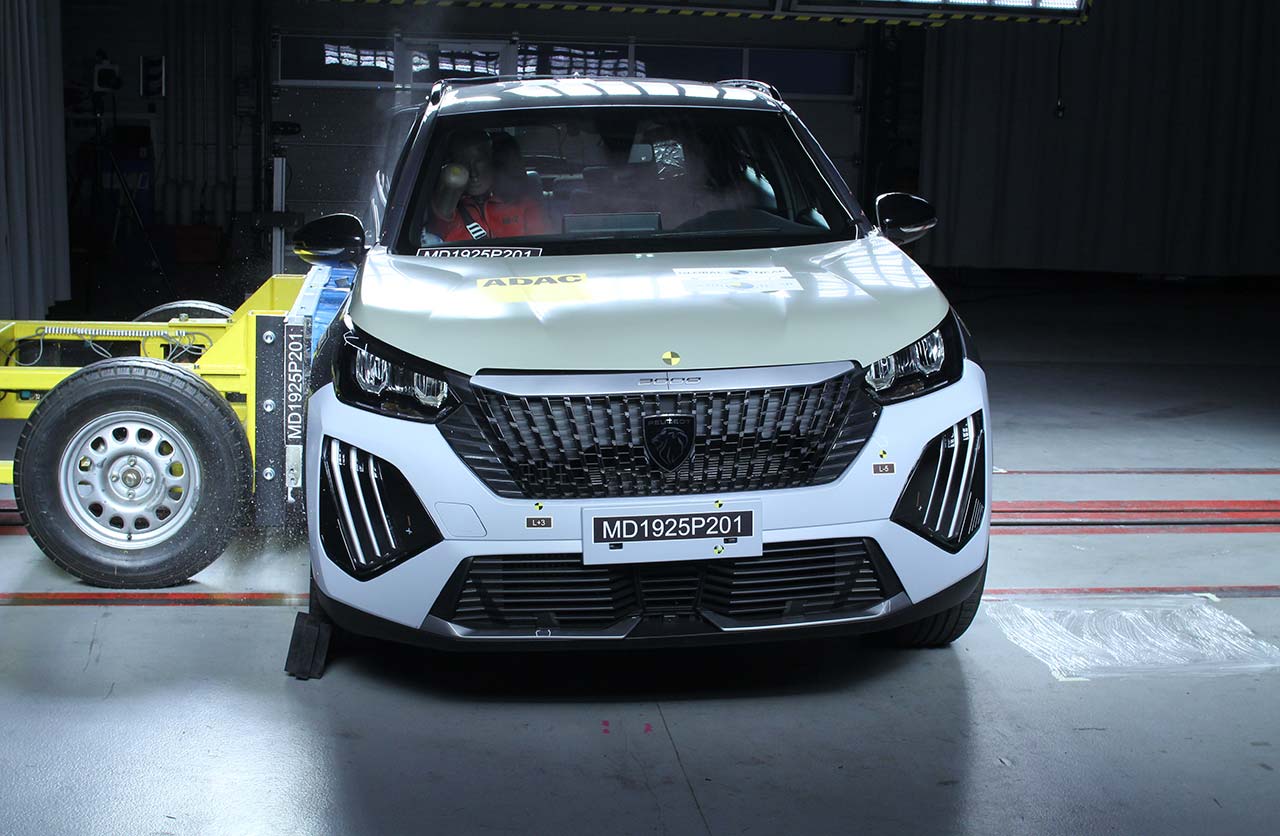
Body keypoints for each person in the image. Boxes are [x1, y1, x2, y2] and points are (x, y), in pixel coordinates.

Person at [428, 130, 547, 242]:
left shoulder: (524, 206)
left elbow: (542, 249)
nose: (473, 173)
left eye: (479, 161)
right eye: (463, 163)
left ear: (492, 161)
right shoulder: (446, 211)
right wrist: (452, 185)